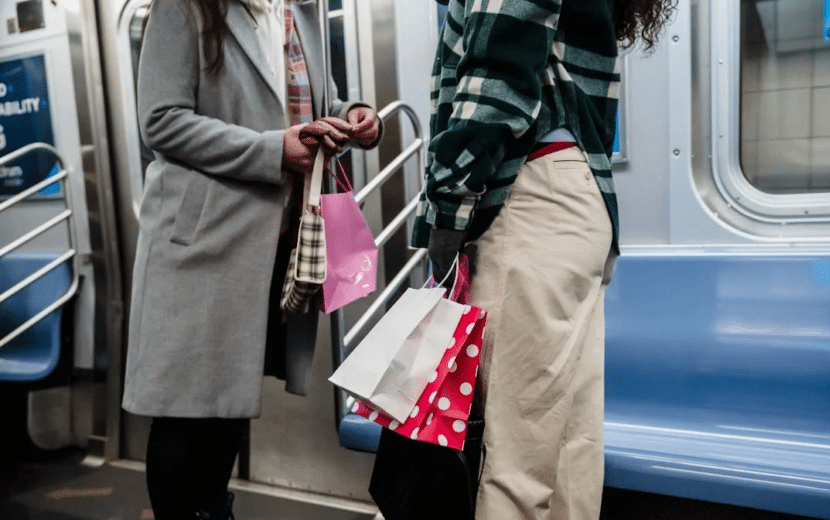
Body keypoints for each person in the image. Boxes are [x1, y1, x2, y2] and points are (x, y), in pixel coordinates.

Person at [413, 0, 675, 518]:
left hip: (528, 198)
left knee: (513, 461)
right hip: (578, 201)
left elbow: (497, 84)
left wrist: (446, 206)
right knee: (567, 449)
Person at [123, 0, 380, 518]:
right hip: (200, 243)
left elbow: (300, 107)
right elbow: (161, 121)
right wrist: (272, 150)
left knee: (228, 404)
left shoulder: (299, 11)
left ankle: (213, 509)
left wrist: (351, 117)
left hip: (269, 244)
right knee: (183, 412)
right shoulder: (184, 8)